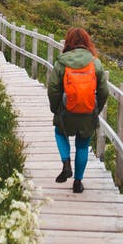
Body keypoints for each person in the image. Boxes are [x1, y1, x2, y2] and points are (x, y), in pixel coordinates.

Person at [47, 27, 109, 193]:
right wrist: (96, 109)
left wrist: (55, 108)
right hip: (88, 112)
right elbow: (104, 91)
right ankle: (78, 182)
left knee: (60, 132)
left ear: (68, 42)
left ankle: (66, 162)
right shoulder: (95, 63)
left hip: (66, 111)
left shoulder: (62, 62)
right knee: (82, 145)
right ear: (87, 42)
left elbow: (53, 88)